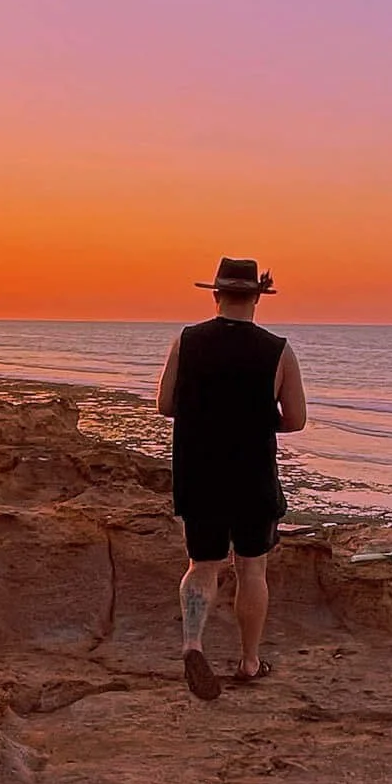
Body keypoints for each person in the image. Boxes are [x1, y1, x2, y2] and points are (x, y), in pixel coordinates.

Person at [157, 256, 308, 701]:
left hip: (198, 471)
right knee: (250, 568)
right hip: (252, 475)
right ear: (257, 297)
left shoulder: (187, 342)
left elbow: (166, 405)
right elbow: (296, 419)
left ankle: (192, 644)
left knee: (201, 565)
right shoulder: (278, 349)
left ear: (215, 294)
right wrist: (257, 422)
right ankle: (248, 661)